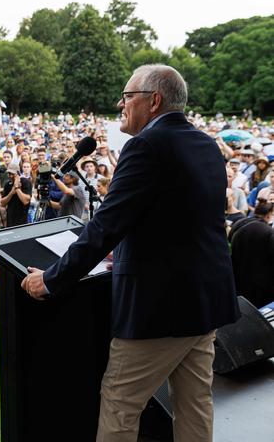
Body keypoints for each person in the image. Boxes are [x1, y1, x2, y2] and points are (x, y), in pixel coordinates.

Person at [21, 64, 240, 441]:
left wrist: (51, 280)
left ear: (153, 101)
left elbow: (105, 226)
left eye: (127, 96)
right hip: (205, 302)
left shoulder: (145, 146)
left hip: (159, 309)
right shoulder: (206, 144)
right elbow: (176, 219)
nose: (121, 104)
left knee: (120, 404)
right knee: (195, 404)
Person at [228, 200, 274, 308]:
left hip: (238, 281)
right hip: (262, 288)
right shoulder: (268, 232)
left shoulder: (239, 223)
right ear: (268, 215)